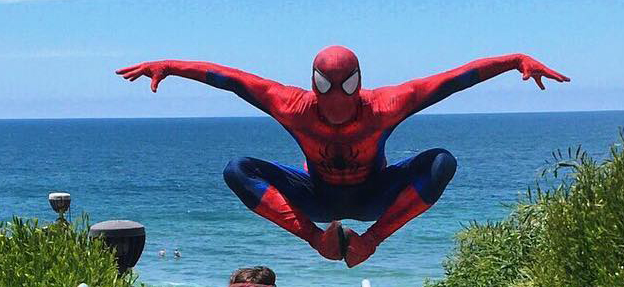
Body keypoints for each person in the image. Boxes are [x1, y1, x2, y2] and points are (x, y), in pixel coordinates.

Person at [117, 47, 568, 267]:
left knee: (441, 162)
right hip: (316, 197)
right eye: (326, 86)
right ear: (313, 83)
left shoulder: (386, 105)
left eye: (346, 87)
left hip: (374, 197)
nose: (336, 98)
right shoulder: (291, 105)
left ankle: (370, 241)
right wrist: (171, 67)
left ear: (359, 82)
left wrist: (514, 61)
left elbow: (455, 79)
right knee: (237, 170)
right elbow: (230, 78)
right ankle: (317, 239)